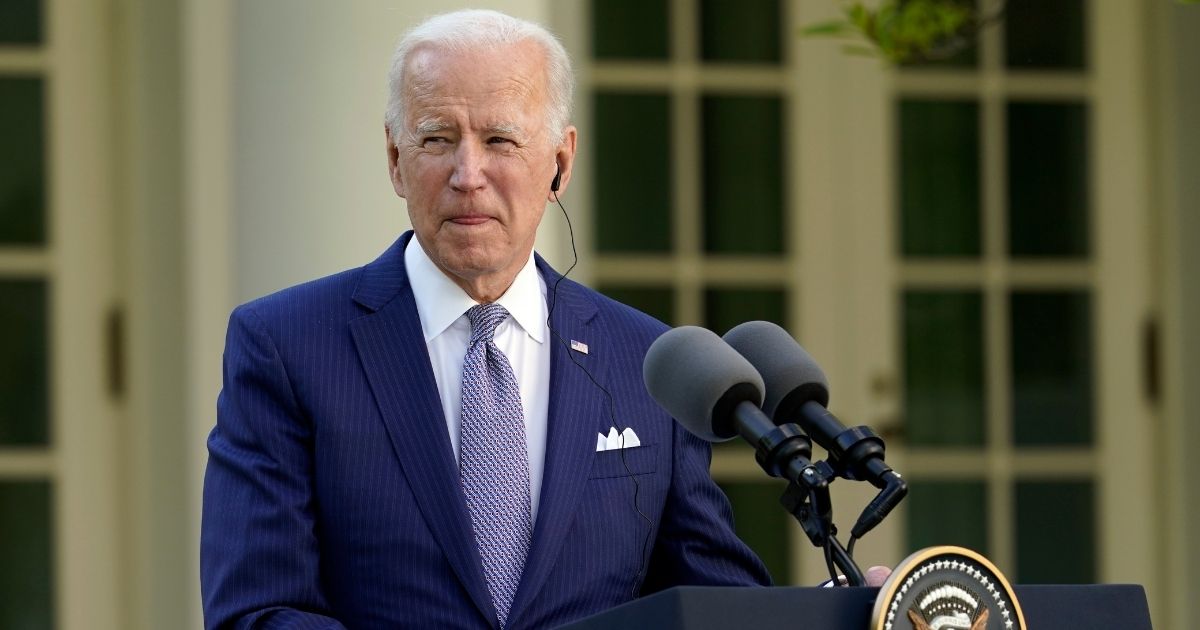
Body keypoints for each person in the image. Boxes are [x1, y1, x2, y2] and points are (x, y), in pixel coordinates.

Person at [200, 9, 772, 630]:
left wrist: (853, 607)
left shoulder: (648, 361)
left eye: (500, 140)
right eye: (437, 139)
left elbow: (721, 604)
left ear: (560, 160)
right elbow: (256, 614)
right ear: (396, 159)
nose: (467, 176)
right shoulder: (285, 347)